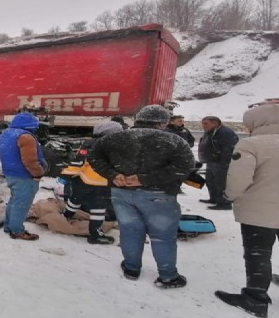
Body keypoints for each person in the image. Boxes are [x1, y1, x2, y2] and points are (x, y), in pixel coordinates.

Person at [88, 105, 194, 288]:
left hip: (121, 193)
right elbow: (185, 167)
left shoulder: (114, 138)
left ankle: (131, 268)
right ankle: (168, 276)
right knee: (162, 236)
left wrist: (113, 175)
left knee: (130, 231)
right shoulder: (174, 140)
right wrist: (145, 179)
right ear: (162, 122)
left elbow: (94, 157)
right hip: (159, 196)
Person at [214, 103, 279, 318]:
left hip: (260, 210)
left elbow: (239, 179)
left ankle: (255, 299)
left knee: (258, 254)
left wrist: (228, 196)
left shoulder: (252, 145)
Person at [62, 121, 123, 244]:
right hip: (103, 182)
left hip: (83, 180)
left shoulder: (89, 143)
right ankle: (95, 234)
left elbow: (79, 161)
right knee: (99, 208)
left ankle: (66, 216)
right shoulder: (118, 146)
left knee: (75, 200)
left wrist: (68, 172)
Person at [0, 112, 48, 240]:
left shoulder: (6, 134)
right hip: (25, 176)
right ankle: (17, 230)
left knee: (15, 201)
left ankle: (9, 226)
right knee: (22, 204)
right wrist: (39, 172)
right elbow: (30, 161)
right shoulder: (26, 137)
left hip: (11, 173)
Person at [198, 116, 239, 210]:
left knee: (221, 183)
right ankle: (214, 198)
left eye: (206, 123)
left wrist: (224, 162)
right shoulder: (210, 132)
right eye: (203, 123)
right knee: (210, 181)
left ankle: (224, 203)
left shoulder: (225, 133)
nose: (203, 126)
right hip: (211, 161)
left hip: (221, 163)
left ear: (215, 123)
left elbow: (229, 148)